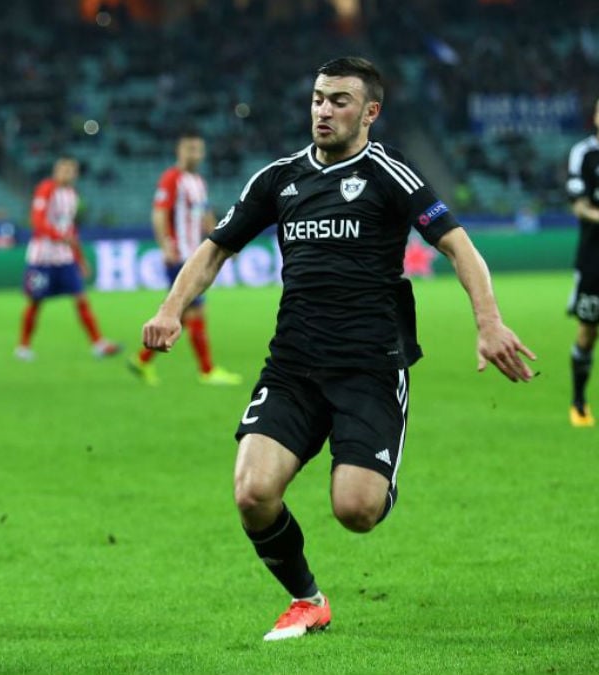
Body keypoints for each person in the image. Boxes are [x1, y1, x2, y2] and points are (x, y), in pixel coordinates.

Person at [142, 57, 536, 641]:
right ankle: (307, 600)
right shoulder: (278, 179)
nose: (324, 110)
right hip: (294, 366)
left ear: (370, 112)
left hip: (370, 368)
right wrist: (170, 309)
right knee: (252, 493)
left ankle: (377, 471)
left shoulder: (390, 177)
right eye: (319, 98)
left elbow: (458, 246)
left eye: (340, 101)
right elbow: (215, 249)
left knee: (356, 511)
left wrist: (489, 322)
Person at [128, 131, 242, 386]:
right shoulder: (172, 179)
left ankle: (142, 359)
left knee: (186, 314)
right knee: (193, 310)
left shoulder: (198, 182)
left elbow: (207, 217)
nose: (195, 154)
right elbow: (159, 213)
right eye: (190, 149)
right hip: (179, 256)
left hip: (194, 255)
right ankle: (207, 370)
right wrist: (165, 245)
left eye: (199, 150)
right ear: (179, 151)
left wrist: (223, 245)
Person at [16, 156, 120, 361]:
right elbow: (36, 220)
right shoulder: (46, 188)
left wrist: (80, 259)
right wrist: (58, 236)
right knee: (35, 302)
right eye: (62, 169)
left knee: (81, 298)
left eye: (70, 170)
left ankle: (98, 343)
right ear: (55, 171)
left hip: (65, 258)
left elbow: (71, 231)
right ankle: (23, 346)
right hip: (42, 259)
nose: (66, 173)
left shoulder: (73, 195)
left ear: (76, 174)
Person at [565, 96, 599, 427]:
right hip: (594, 259)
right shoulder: (584, 154)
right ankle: (579, 401)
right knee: (588, 331)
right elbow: (579, 206)